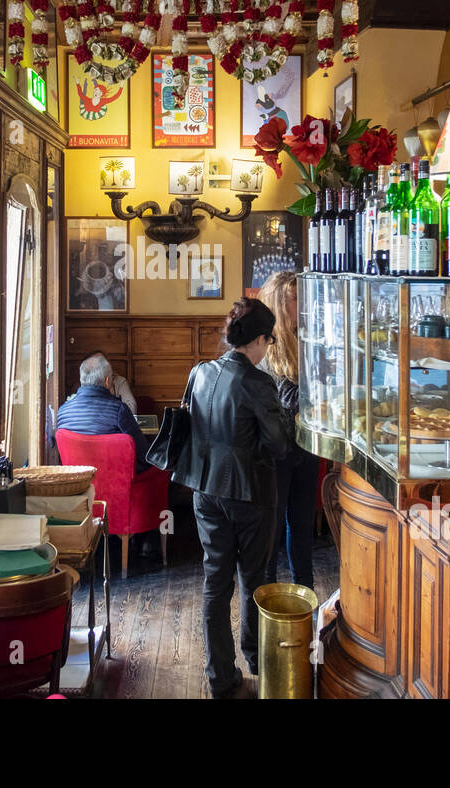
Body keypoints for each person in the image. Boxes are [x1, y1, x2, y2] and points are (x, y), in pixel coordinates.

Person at [173, 297, 289, 699]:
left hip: (205, 491)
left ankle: (220, 676)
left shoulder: (200, 372)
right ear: (258, 339)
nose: (267, 348)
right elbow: (278, 446)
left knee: (215, 582)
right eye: (268, 341)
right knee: (256, 580)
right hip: (251, 494)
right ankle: (257, 660)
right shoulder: (259, 382)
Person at [257, 271, 319, 590]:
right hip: (276, 452)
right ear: (281, 303)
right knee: (272, 529)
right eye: (297, 298)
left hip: (305, 447)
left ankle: (304, 599)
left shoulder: (308, 336)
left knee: (302, 527)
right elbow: (282, 401)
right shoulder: (264, 344)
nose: (303, 304)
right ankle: (266, 604)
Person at [54, 353, 150, 471]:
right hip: (114, 480)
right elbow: (144, 453)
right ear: (107, 381)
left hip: (76, 481)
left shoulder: (62, 411)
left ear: (81, 379)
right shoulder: (119, 410)